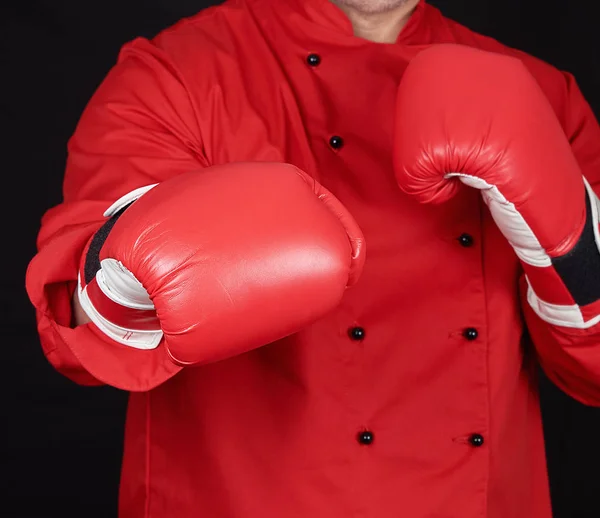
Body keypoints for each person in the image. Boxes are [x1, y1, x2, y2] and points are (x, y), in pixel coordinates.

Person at [25, 0, 600, 516]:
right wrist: (129, 287)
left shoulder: (540, 95)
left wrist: (569, 246)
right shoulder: (177, 76)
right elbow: (79, 323)